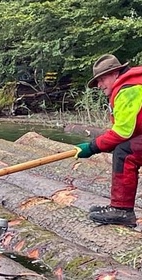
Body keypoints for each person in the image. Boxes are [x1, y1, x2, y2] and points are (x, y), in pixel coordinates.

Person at [75, 54, 142, 227]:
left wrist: (92, 147)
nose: (99, 85)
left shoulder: (129, 89)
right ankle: (120, 207)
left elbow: (123, 132)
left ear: (115, 73)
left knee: (125, 152)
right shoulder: (131, 84)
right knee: (124, 148)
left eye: (101, 79)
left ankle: (121, 210)